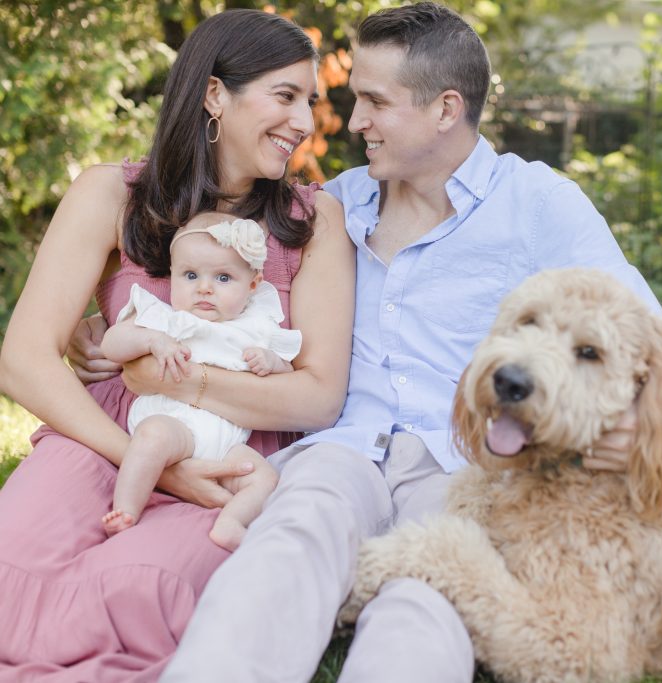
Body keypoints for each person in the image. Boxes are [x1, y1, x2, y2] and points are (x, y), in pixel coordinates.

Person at [158, 4, 662, 683]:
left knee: (429, 594)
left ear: (446, 108)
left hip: (466, 465)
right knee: (289, 537)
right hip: (343, 447)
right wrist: (114, 319)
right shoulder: (333, 206)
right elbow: (219, 274)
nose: (353, 120)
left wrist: (635, 425)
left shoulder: (537, 205)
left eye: (374, 101)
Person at [0, 9, 353, 681]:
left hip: (226, 458)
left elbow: (318, 393)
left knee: (138, 595)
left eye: (309, 101)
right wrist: (146, 458)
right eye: (285, 96)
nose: (306, 122)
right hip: (100, 436)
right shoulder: (112, 193)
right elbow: (23, 359)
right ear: (215, 94)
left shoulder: (314, 222)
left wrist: (180, 389)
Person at [101, 213, 302, 551]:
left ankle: (231, 522)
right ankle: (125, 510)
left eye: (223, 278)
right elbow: (111, 346)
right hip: (173, 420)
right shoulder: (167, 319)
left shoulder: (256, 328)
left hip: (225, 435)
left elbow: (290, 381)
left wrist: (273, 363)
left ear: (253, 285)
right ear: (172, 276)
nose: (204, 288)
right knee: (152, 439)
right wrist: (152, 341)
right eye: (190, 275)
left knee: (264, 478)